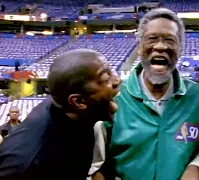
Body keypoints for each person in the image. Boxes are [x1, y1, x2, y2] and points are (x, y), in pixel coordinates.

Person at [97, 8, 199, 180]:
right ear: (139, 47)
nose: (160, 46)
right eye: (152, 39)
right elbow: (95, 163)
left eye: (169, 40)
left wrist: (197, 167)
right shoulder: (114, 98)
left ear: (180, 49)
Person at [0, 49, 121, 180]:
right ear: (79, 101)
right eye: (106, 79)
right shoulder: (30, 165)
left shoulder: (71, 110)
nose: (117, 80)